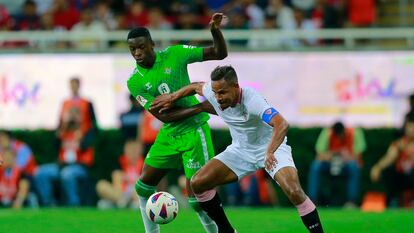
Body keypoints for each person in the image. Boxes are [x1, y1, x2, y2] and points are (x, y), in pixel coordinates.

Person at [150, 65, 324, 233]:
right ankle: (226, 230)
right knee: (198, 183)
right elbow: (195, 87)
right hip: (240, 151)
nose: (218, 98)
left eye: (223, 92)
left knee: (294, 191)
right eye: (216, 93)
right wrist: (173, 97)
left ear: (236, 87)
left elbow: (282, 124)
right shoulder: (213, 91)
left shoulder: (252, 100)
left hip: (271, 148)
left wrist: (270, 151)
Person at [126, 13, 234, 233]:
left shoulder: (175, 54)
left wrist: (215, 32)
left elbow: (219, 53)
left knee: (198, 199)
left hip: (195, 132)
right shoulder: (135, 81)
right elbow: (164, 117)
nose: (137, 53)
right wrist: (201, 107)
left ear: (152, 45)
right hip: (169, 133)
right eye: (133, 49)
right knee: (143, 187)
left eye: (141, 47)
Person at [35, 77, 98, 206]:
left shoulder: (84, 134)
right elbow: (54, 146)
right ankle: (48, 203)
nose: (73, 116)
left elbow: (93, 134)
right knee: (40, 173)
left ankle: (73, 204)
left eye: (76, 113)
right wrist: (60, 133)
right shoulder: (63, 133)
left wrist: (82, 140)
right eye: (70, 113)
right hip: (61, 165)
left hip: (78, 166)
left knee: (67, 175)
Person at [307, 121, 366, 207]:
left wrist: (347, 156)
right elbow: (319, 155)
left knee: (354, 167)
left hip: (346, 164)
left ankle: (351, 201)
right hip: (329, 163)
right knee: (315, 166)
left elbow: (358, 157)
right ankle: (312, 201)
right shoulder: (327, 132)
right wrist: (333, 154)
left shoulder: (355, 132)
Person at [371, 114, 414, 207]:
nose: (409, 129)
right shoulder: (399, 143)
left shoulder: (406, 146)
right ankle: (393, 201)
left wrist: (408, 151)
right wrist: (377, 167)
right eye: (408, 126)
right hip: (402, 176)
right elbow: (389, 158)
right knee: (388, 171)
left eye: (412, 126)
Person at [96, 139, 144, 209]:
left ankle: (118, 203)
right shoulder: (119, 162)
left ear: (141, 150)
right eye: (130, 149)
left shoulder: (146, 164)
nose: (133, 152)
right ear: (125, 150)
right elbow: (115, 179)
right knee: (101, 184)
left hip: (135, 194)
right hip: (120, 192)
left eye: (135, 149)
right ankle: (120, 201)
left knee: (139, 188)